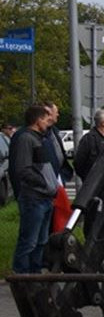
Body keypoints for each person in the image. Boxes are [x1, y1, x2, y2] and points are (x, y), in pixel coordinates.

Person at [9, 104, 58, 274]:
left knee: (41, 240)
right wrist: (43, 183)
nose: (48, 121)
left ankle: (35, 272)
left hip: (45, 198)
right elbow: (23, 169)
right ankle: (22, 273)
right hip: (34, 197)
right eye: (45, 118)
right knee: (29, 240)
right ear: (38, 120)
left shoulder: (40, 137)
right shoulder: (27, 139)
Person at [74, 108, 104, 180]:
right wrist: (87, 177)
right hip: (93, 181)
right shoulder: (88, 139)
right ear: (103, 123)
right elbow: (78, 162)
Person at [0, 123, 14, 205]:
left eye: (11, 128)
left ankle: (3, 204)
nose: (11, 130)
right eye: (9, 128)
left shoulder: (3, 139)